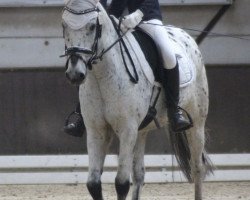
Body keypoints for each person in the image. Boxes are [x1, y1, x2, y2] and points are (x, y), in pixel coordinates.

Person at [64, 0, 191, 136]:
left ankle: (174, 110)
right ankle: (81, 114)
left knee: (168, 55)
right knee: (86, 57)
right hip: (114, 24)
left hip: (146, 19)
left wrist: (138, 14)